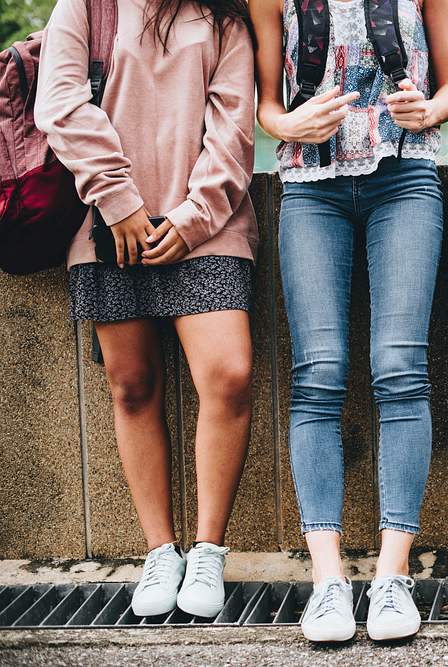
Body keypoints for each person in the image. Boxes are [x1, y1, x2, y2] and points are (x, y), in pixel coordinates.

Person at [36, 0, 258, 619]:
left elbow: (235, 130)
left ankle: (208, 549)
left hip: (207, 226)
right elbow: (58, 103)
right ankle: (160, 550)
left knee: (229, 375)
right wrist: (118, 199)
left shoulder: (224, 17)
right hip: (110, 224)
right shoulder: (86, 6)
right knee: (132, 387)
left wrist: (190, 220)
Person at [251, 0, 448, 643]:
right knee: (318, 373)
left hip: (405, 178)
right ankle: (328, 582)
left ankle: (393, 577)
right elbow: (266, 106)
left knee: (400, 367)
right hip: (310, 184)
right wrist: (290, 122)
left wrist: (430, 110)